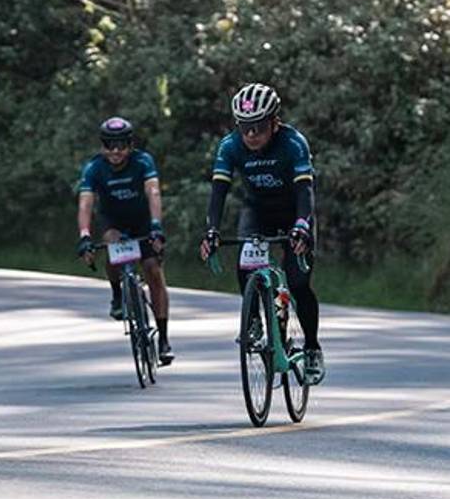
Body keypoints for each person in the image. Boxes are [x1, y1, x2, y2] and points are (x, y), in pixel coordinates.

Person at [198, 83, 324, 383]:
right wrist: (212, 231)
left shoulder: (293, 143)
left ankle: (311, 348)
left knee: (298, 283)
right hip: (257, 211)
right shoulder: (230, 147)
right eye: (245, 128)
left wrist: (302, 227)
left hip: (294, 212)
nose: (251, 135)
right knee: (246, 262)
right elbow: (218, 193)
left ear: (274, 123)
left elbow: (305, 191)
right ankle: (253, 319)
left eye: (258, 127)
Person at [76, 117, 174, 365]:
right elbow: (86, 203)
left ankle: (163, 339)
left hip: (142, 221)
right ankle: (118, 294)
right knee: (112, 245)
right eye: (110, 145)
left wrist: (156, 226)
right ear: (102, 147)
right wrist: (85, 236)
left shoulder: (143, 161)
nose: (115, 151)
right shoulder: (94, 168)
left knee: (153, 270)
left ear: (130, 145)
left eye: (121, 145)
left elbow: (153, 192)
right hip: (114, 221)